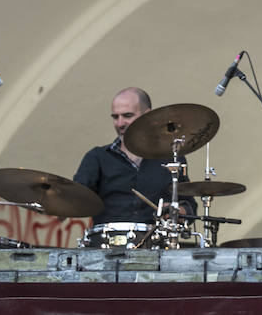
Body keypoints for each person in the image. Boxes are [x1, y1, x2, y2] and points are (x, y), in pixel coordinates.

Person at [73, 87, 192, 229]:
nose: (120, 123)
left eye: (127, 116)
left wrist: (176, 210)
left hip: (155, 244)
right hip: (107, 246)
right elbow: (74, 197)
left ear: (147, 116)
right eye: (115, 117)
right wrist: (57, 204)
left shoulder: (171, 158)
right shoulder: (97, 157)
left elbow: (190, 206)